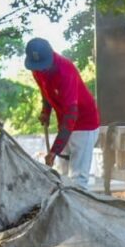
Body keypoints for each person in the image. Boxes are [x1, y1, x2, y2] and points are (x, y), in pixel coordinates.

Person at [24, 38, 100, 190]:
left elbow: (71, 116)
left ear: (51, 55)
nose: (40, 70)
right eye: (37, 67)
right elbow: (45, 93)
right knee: (62, 177)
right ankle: (64, 209)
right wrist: (46, 111)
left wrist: (53, 151)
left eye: (43, 66)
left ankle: (77, 212)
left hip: (84, 124)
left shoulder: (66, 71)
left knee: (78, 179)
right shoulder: (37, 69)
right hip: (64, 124)